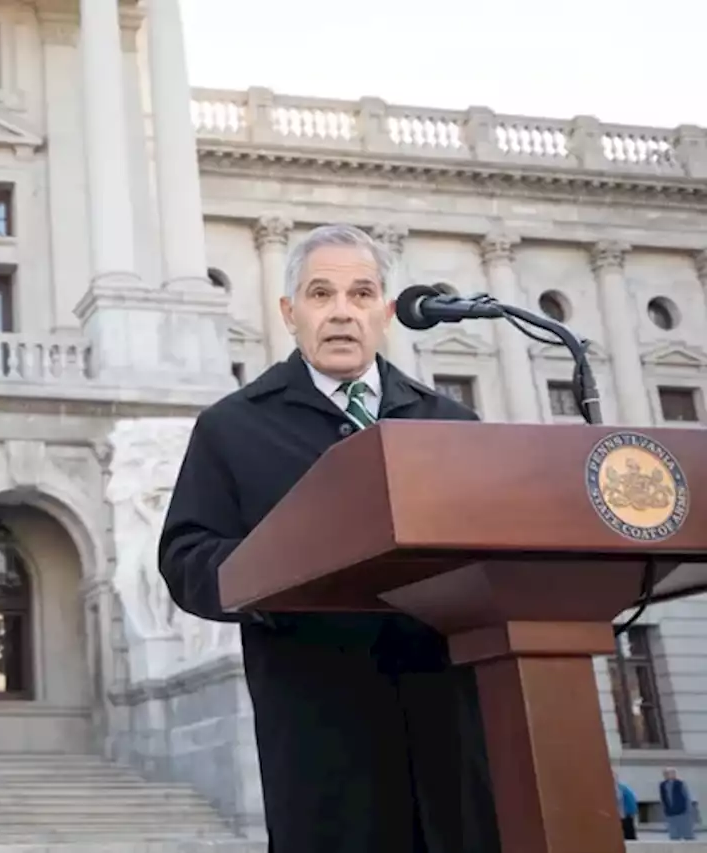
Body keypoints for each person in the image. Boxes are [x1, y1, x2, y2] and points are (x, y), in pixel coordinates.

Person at [158, 223, 501, 853]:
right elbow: (185, 559)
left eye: (361, 294)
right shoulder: (232, 428)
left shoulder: (451, 424)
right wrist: (275, 571)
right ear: (290, 313)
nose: (342, 312)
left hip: (450, 728)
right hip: (321, 737)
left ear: (387, 312)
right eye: (321, 294)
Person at [660, 768, 697, 840]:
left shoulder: (680, 783)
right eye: (665, 774)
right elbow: (663, 798)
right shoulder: (663, 785)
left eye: (669, 773)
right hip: (670, 813)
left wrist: (688, 811)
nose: (666, 775)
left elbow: (686, 797)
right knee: (674, 833)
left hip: (682, 811)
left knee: (687, 832)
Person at [616, 773, 639, 840]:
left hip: (625, 815)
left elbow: (631, 801)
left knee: (629, 834)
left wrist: (632, 811)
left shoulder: (624, 789)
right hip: (614, 817)